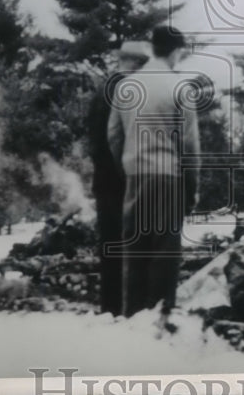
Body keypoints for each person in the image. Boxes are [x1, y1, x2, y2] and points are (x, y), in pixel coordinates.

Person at [107, 26, 200, 323]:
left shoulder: (126, 86)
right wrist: (191, 187)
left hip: (136, 177)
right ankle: (159, 324)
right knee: (164, 255)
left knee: (135, 253)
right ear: (176, 51)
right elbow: (189, 146)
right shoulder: (180, 88)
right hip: (168, 177)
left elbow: (113, 135)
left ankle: (132, 321)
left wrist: (128, 167)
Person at [85, 40, 149, 316]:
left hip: (104, 182)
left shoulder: (102, 90)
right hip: (126, 182)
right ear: (135, 64)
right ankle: (133, 312)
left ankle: (110, 309)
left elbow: (92, 140)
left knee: (110, 247)